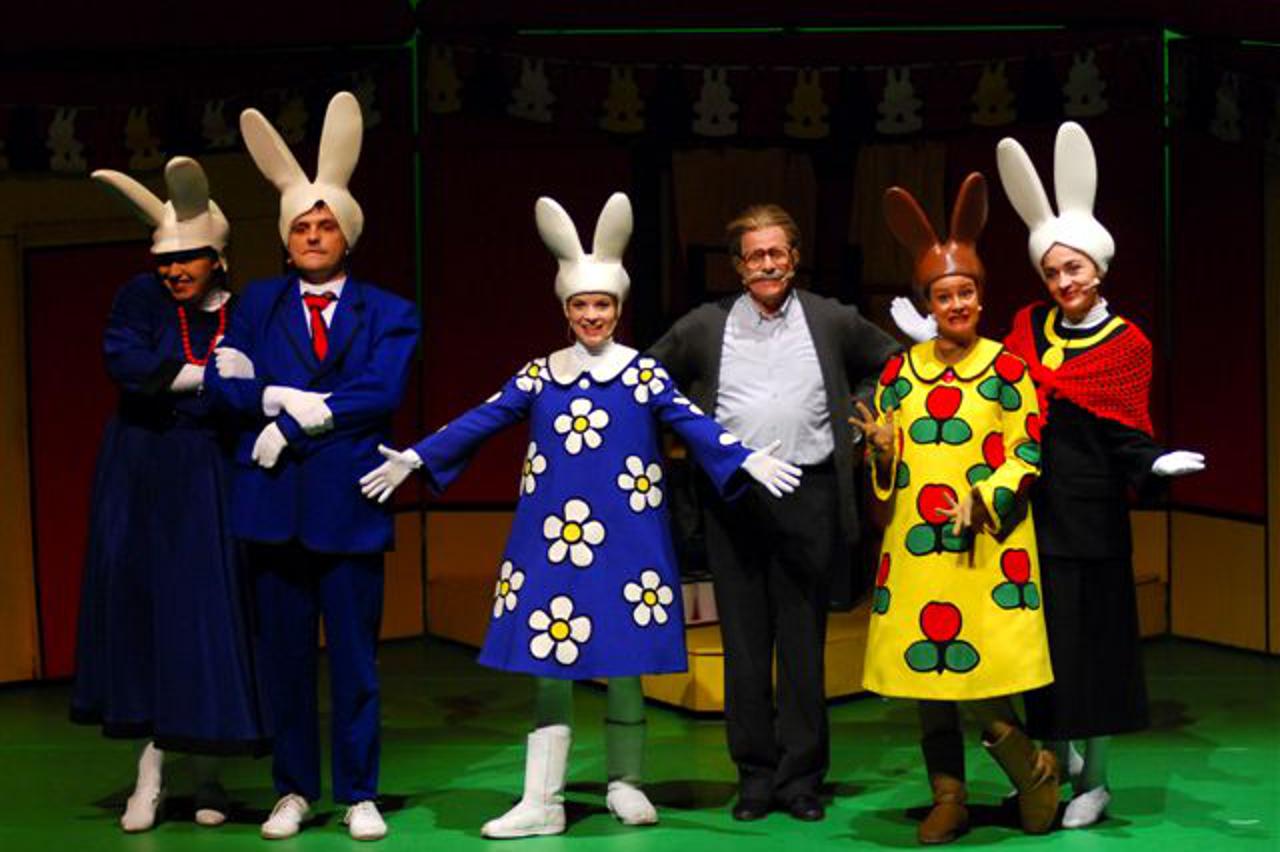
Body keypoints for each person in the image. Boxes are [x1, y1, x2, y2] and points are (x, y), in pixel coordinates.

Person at [359, 192, 801, 838]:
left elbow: (694, 424)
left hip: (627, 539)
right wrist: (420, 457)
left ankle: (625, 782)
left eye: (603, 305)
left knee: (623, 661)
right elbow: (484, 417)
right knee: (550, 661)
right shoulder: (541, 375)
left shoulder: (643, 375)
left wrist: (744, 458)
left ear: (618, 309)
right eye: (581, 305)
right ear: (565, 310)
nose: (593, 315)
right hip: (551, 542)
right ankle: (542, 801)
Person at [891, 122, 1205, 829]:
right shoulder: (1030, 329)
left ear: (1099, 269)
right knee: (1044, 657)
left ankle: (1096, 780)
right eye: (1054, 271)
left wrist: (1153, 461)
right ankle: (1049, 769)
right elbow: (992, 373)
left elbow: (1126, 432)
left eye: (1075, 269)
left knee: (1093, 657)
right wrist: (932, 339)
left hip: (1090, 524)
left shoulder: (1125, 344)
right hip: (1029, 520)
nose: (1064, 281)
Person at [204, 92, 419, 842]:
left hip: (348, 506)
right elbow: (226, 386)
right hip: (273, 507)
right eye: (302, 226)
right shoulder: (258, 305)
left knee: (356, 664)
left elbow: (379, 391)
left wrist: (294, 421)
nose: (313, 235)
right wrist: (271, 394)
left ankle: (359, 792)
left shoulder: (389, 311)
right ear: (286, 240)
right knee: (285, 662)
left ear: (347, 234)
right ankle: (293, 790)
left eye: (325, 225)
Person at [648, 203, 899, 821]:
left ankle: (801, 779)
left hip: (809, 494)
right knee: (745, 644)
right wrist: (692, 436)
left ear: (794, 258)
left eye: (776, 253)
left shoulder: (829, 318)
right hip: (734, 498)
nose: (767, 264)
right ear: (737, 266)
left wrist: (858, 417)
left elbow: (892, 361)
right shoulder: (705, 326)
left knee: (803, 644)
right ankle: (756, 777)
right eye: (755, 255)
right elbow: (648, 379)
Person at [853, 172, 1061, 845]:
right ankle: (949, 796)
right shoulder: (900, 372)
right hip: (918, 548)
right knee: (928, 673)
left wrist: (984, 497)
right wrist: (882, 451)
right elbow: (886, 458)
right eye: (944, 296)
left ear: (980, 296)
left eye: (965, 292)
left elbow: (1026, 449)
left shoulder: (1008, 370)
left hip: (984, 548)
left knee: (981, 676)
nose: (956, 304)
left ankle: (1031, 771)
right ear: (929, 303)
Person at [71, 157, 269, 832]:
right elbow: (124, 360)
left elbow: (261, 381)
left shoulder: (246, 310)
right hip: (144, 474)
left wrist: (247, 384)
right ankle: (151, 776)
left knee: (208, 619)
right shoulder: (139, 299)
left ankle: (208, 771)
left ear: (218, 258)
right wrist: (202, 377)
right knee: (152, 617)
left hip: (213, 475)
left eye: (188, 259)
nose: (174, 271)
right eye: (166, 261)